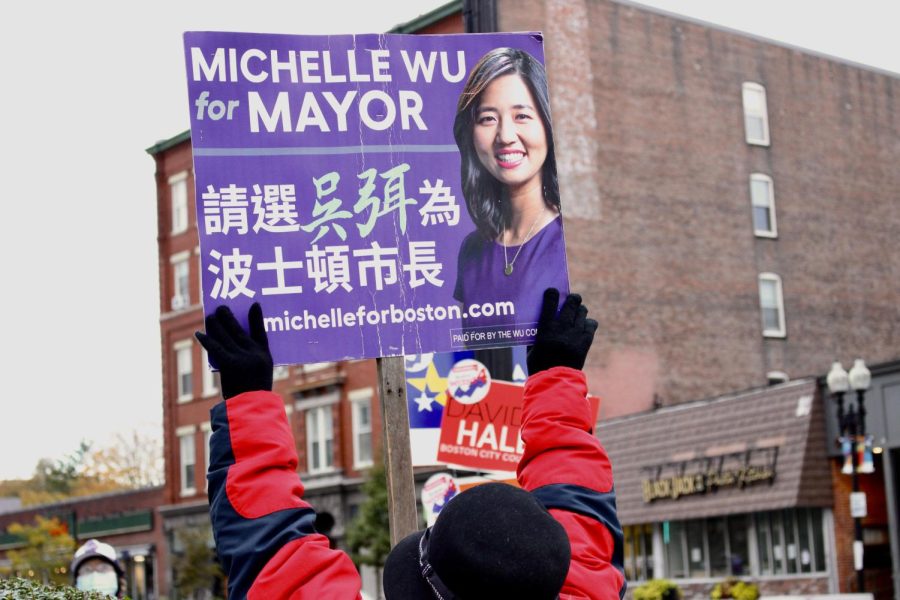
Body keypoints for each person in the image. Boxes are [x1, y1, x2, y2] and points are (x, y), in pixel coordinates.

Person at [196, 289, 624, 599]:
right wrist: (557, 377)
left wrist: (248, 396)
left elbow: (273, 555)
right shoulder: (576, 586)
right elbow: (576, 492)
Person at [452, 47, 569, 339]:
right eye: (488, 118)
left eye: (522, 116)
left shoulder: (571, 239)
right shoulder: (472, 251)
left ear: (547, 125)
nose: (505, 136)